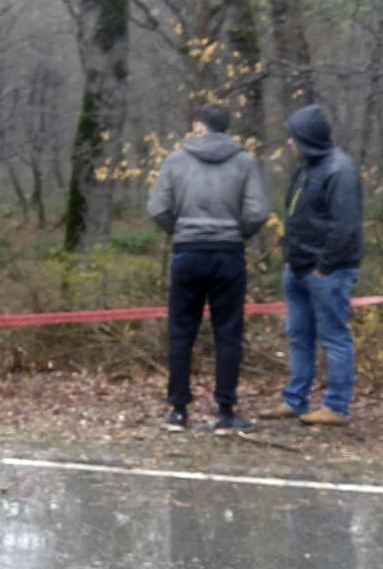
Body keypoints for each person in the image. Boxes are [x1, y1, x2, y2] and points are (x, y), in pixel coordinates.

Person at [148, 103, 270, 435]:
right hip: (227, 253)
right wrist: (236, 233)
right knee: (228, 333)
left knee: (181, 331)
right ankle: (226, 412)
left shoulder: (176, 160)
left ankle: (177, 410)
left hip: (187, 252)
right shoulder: (244, 162)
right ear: (227, 127)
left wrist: (181, 230)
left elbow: (158, 207)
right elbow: (258, 211)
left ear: (199, 125)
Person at [259, 104, 363, 426]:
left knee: (333, 337)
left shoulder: (339, 170)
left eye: (294, 137)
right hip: (298, 266)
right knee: (298, 335)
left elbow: (345, 225)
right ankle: (295, 399)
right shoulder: (305, 167)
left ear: (308, 138)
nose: (289, 143)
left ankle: (336, 406)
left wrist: (325, 266)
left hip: (327, 271)